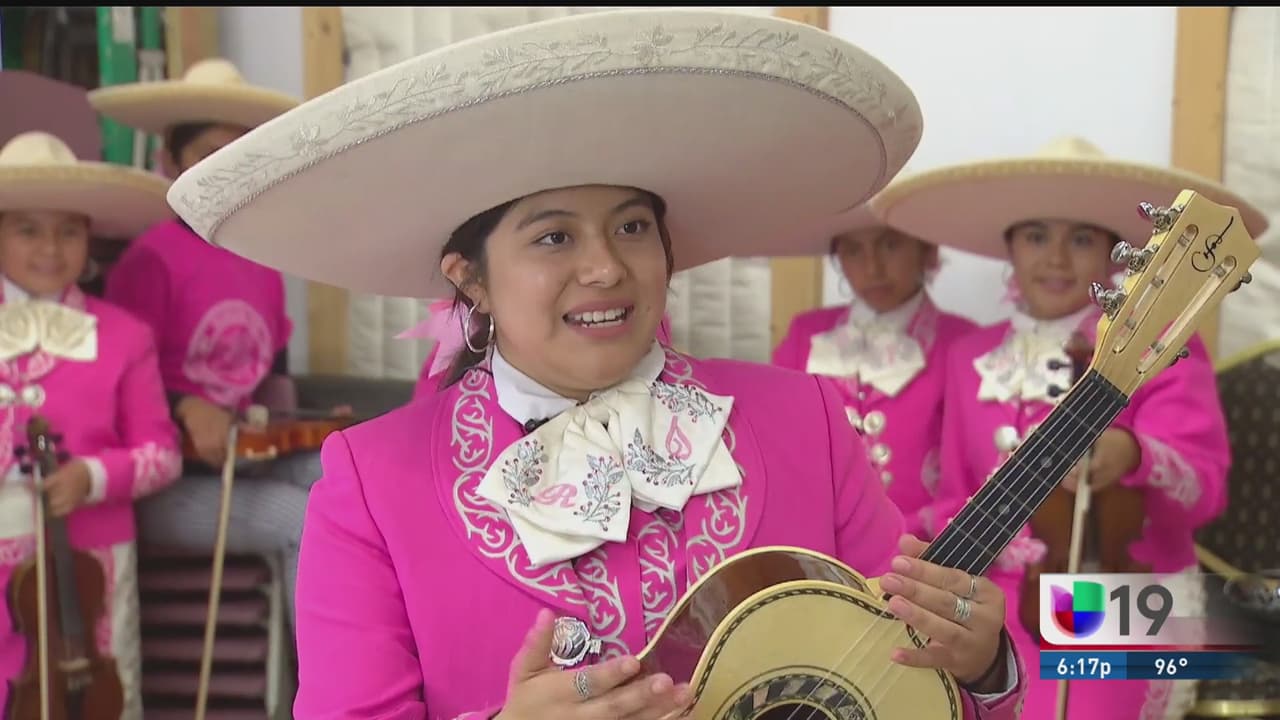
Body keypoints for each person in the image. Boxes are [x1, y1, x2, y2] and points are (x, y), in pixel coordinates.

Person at [163, 9, 1028, 719]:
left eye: (632, 227)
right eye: (553, 237)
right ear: (471, 278)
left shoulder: (803, 419)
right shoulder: (372, 483)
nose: (606, 267)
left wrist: (983, 664)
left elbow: (903, 676)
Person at [872, 135, 1270, 719]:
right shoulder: (968, 354)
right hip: (993, 591)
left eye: (1081, 239)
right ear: (1010, 248)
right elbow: (955, 492)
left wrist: (1134, 454)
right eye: (1036, 237)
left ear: (1114, 253)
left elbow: (1204, 491)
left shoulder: (1158, 344)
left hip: (1121, 591)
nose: (1056, 259)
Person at [87, 58, 321, 632]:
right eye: (207, 155)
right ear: (170, 163)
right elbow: (112, 380)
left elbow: (272, 373)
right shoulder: (150, 259)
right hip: (165, 481)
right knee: (300, 516)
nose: (225, 170)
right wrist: (186, 407)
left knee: (341, 480)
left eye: (239, 155)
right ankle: (320, 681)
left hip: (242, 459)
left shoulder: (263, 257)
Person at [0, 131, 182, 719]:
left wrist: (92, 477)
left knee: (96, 699)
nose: (50, 248)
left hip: (89, 562)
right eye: (28, 230)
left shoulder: (125, 335)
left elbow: (162, 454)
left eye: (68, 231)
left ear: (88, 238)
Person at [773, 205, 976, 536]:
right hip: (814, 546)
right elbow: (777, 453)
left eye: (890, 244)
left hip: (921, 552)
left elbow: (967, 479)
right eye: (854, 250)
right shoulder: (805, 334)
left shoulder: (963, 344)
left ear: (926, 249)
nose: (872, 267)